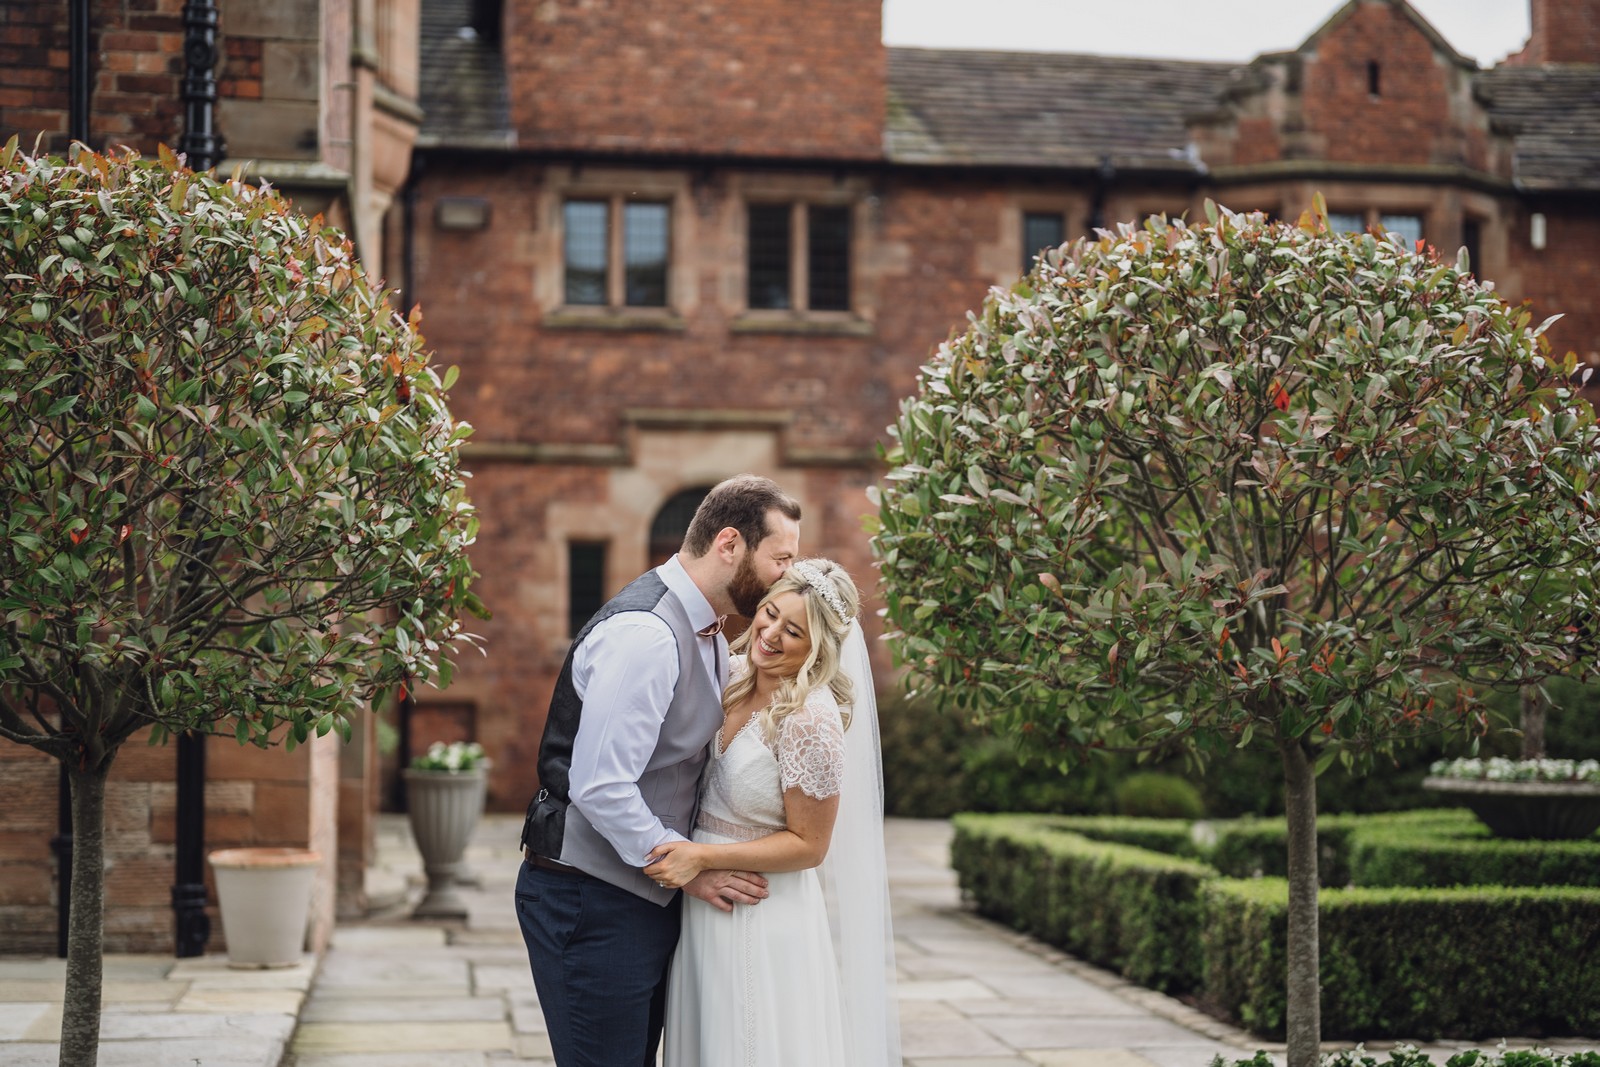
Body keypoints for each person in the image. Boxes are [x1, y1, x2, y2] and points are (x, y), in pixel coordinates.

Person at [516, 474, 802, 1067]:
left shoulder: (713, 637)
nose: (787, 576)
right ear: (730, 545)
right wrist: (688, 869)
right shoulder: (646, 634)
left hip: (634, 898)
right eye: (781, 559)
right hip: (589, 901)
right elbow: (601, 785)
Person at [645, 558, 901, 1067]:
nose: (770, 634)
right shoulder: (733, 674)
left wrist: (701, 857)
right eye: (769, 613)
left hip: (761, 911)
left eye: (794, 631)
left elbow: (811, 846)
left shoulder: (810, 717)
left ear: (820, 646)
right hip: (701, 903)